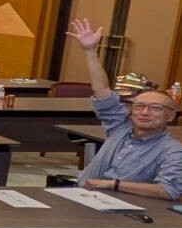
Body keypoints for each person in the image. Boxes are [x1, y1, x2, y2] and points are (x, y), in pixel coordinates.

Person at [66, 18, 182, 200]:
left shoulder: (172, 150)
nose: (144, 112)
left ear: (170, 116)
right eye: (139, 106)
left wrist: (114, 184)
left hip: (121, 207)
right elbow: (102, 91)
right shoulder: (120, 127)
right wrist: (90, 52)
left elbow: (169, 190)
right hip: (81, 196)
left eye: (155, 108)